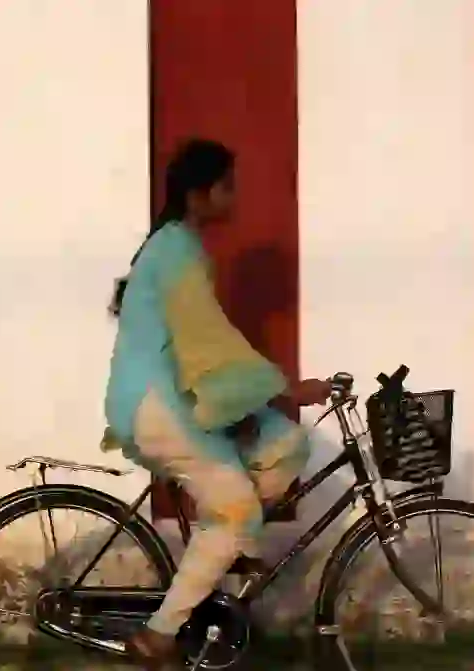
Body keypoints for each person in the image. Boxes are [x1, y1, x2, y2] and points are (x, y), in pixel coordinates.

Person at [101, 138, 331, 668]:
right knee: (236, 507)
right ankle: (160, 633)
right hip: (158, 406)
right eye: (228, 185)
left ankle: (225, 553)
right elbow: (208, 341)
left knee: (285, 443)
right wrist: (290, 390)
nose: (234, 196)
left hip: (178, 399)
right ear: (200, 193)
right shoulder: (177, 250)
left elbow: (201, 345)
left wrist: (263, 405)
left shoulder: (177, 245)